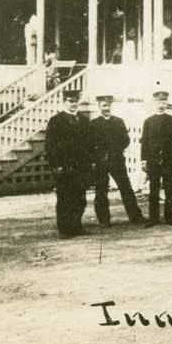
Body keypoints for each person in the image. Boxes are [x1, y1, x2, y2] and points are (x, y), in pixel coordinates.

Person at [89, 94, 145, 227]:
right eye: (104, 105)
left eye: (108, 105)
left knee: (126, 188)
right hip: (101, 162)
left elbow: (125, 140)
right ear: (99, 107)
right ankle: (104, 220)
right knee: (101, 190)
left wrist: (115, 150)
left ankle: (135, 216)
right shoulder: (94, 124)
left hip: (117, 160)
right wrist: (98, 155)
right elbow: (90, 143)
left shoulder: (118, 122)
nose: (107, 108)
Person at [44, 88, 90, 237]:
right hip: (63, 167)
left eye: (76, 101)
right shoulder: (56, 121)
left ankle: (77, 226)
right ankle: (65, 229)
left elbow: (89, 145)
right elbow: (50, 146)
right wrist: (56, 166)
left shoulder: (83, 120)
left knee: (80, 198)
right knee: (64, 199)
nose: (73, 104)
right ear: (64, 102)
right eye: (70, 101)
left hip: (80, 167)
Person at [140, 90, 172, 226]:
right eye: (159, 102)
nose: (161, 105)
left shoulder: (171, 120)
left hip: (168, 159)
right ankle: (153, 218)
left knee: (169, 188)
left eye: (164, 102)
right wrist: (143, 160)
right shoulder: (148, 121)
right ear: (154, 103)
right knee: (154, 189)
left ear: (166, 103)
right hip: (153, 160)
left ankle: (170, 217)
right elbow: (144, 142)